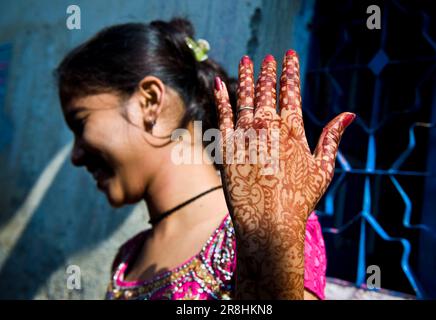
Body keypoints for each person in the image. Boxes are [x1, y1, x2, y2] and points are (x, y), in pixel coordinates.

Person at [56, 17, 353, 300]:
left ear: (149, 102)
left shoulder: (268, 226)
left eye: (80, 124)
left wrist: (271, 251)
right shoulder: (128, 257)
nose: (75, 156)